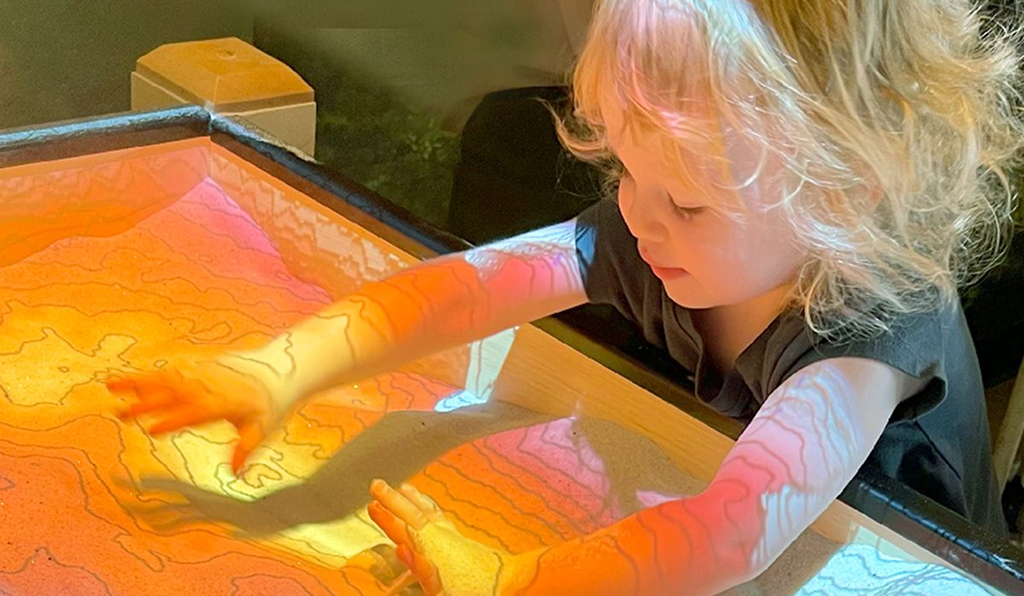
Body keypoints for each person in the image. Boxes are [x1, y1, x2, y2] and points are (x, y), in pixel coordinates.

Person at [107, 0, 1024, 593]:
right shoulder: (665, 229)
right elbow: (461, 294)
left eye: (688, 200)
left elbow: (734, 529)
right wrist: (278, 370)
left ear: (842, 190)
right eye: (625, 167)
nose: (636, 216)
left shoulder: (873, 326)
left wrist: (509, 581)